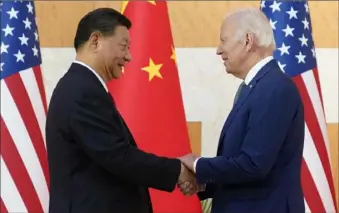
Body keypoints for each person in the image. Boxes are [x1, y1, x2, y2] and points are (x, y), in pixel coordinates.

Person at [45, 8, 195, 213]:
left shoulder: (83, 87)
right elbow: (118, 156)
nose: (129, 57)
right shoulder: (81, 91)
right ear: (95, 41)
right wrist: (177, 170)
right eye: (123, 46)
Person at [178, 8, 305, 213]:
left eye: (223, 40)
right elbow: (249, 166)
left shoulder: (274, 88)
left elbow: (254, 165)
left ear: (247, 41)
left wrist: (198, 165)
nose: (219, 50)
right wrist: (205, 183)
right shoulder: (257, 86)